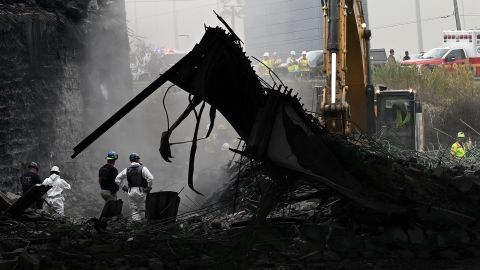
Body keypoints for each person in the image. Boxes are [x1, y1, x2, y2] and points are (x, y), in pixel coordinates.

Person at [115, 153, 153, 221]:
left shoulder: (127, 170)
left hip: (130, 191)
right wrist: (149, 187)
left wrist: (124, 187)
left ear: (130, 161)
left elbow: (117, 179)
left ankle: (136, 223)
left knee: (134, 209)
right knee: (142, 208)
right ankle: (142, 222)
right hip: (140, 190)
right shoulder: (143, 168)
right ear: (137, 159)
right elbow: (150, 178)